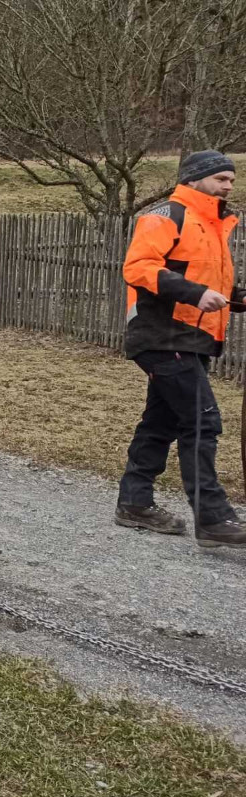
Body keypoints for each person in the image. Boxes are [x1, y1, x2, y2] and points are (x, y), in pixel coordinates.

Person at [117, 149, 246, 548]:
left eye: (231, 179)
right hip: (162, 334)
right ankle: (212, 517)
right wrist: (196, 294)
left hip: (191, 340)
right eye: (221, 179)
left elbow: (209, 283)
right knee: (201, 419)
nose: (229, 185)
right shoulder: (165, 215)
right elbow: (138, 267)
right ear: (194, 179)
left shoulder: (215, 224)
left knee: (163, 421)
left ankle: (134, 504)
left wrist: (235, 296)